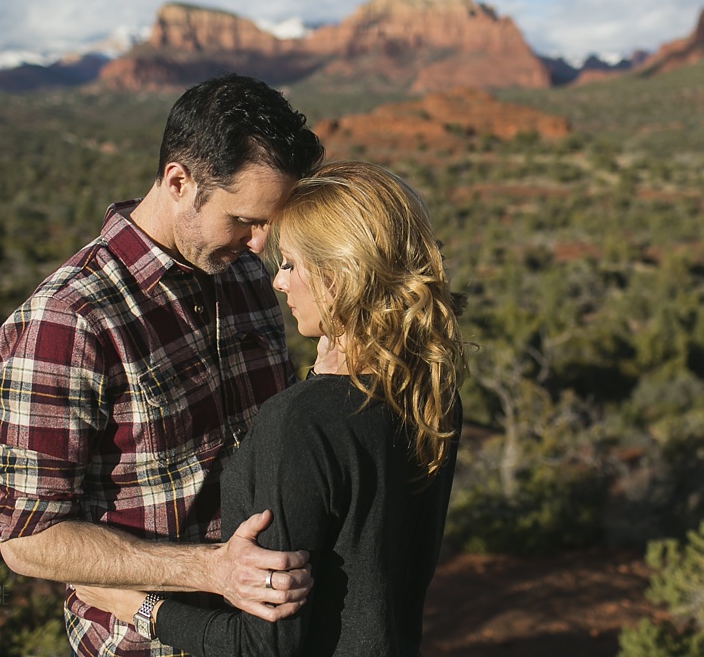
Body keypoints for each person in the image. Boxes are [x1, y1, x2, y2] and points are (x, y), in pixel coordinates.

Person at [0, 74, 324, 657]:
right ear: (178, 181)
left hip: (264, 632)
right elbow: (28, 540)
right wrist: (215, 571)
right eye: (245, 219)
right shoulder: (69, 320)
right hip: (144, 641)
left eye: (269, 223)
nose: (259, 244)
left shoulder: (243, 276)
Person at [73, 161, 468, 656]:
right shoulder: (431, 389)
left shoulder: (304, 421)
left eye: (291, 264)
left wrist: (137, 607)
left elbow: (267, 645)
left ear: (338, 277)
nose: (278, 283)